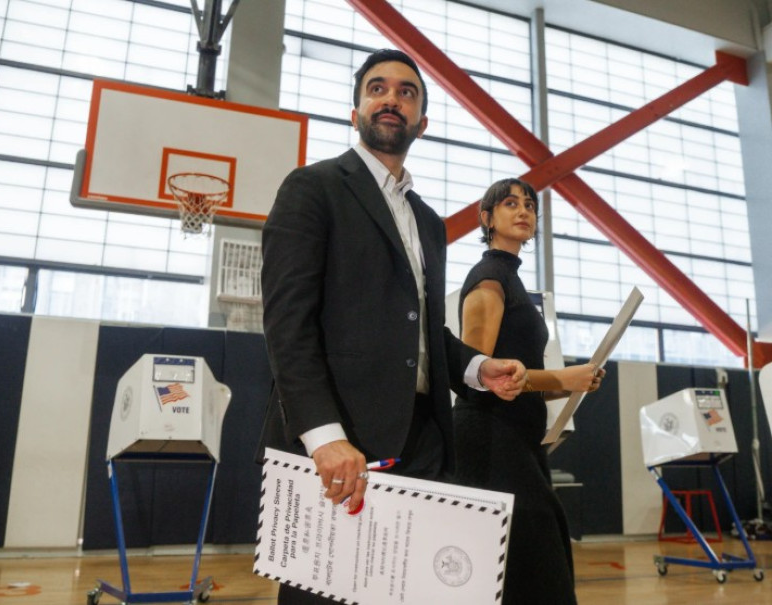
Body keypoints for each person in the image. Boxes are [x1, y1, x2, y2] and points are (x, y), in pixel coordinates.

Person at [257, 49, 528, 604]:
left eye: (407, 93)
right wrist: (324, 436)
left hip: (423, 441)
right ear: (355, 110)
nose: (391, 99)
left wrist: (478, 368)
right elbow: (288, 324)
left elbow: (422, 331)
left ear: (422, 122)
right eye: (377, 88)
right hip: (342, 442)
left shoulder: (428, 222)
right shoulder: (313, 188)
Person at [452, 177, 605, 605]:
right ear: (487, 218)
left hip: (519, 439)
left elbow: (519, 383)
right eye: (510, 203)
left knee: (535, 565)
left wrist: (574, 385)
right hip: (489, 439)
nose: (523, 211)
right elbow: (479, 373)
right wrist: (563, 378)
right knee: (536, 567)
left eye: (530, 205)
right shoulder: (489, 278)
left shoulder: (512, 280)